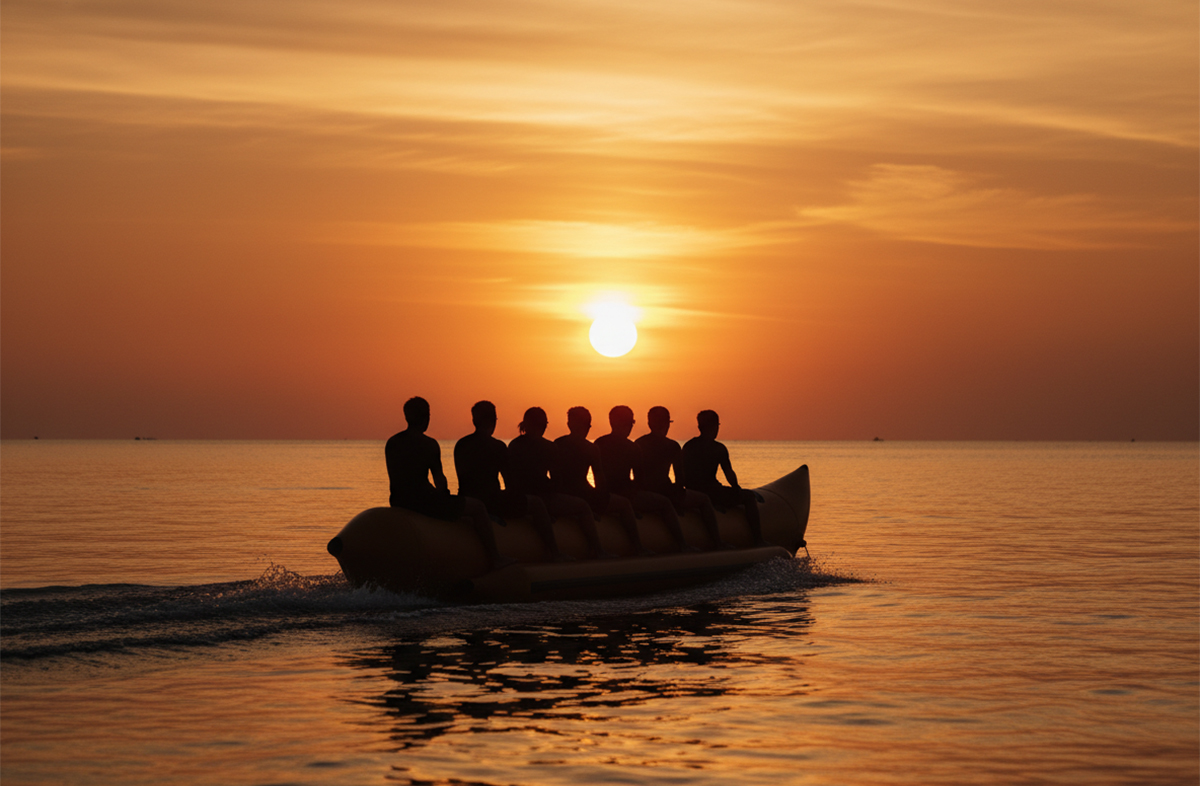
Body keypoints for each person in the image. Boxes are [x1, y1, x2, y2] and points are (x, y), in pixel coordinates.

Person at [385, 396, 512, 569]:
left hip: (398, 501)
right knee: (478, 507)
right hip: (423, 502)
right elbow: (439, 480)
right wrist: (445, 496)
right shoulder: (429, 444)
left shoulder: (392, 443)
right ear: (426, 418)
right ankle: (495, 558)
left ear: (406, 416)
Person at [454, 400, 570, 561]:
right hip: (492, 501)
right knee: (536, 503)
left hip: (466, 498)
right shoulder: (498, 447)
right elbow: (510, 482)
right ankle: (555, 552)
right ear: (494, 421)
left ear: (474, 420)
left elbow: (463, 477)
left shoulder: (461, 444)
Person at [507, 406, 611, 559]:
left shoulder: (514, 445)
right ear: (544, 425)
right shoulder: (549, 446)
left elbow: (510, 476)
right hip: (542, 498)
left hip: (519, 496)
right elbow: (556, 481)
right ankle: (596, 550)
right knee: (583, 506)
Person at [595, 405, 695, 552]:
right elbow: (640, 480)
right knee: (666, 503)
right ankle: (681, 544)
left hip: (605, 493)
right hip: (628, 495)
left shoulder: (599, 443)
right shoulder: (635, 447)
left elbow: (598, 476)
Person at [553, 406, 650, 555]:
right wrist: (600, 502)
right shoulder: (592, 448)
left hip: (562, 493)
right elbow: (600, 479)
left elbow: (554, 476)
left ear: (569, 424)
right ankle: (635, 546)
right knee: (624, 504)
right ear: (588, 425)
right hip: (584, 494)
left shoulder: (557, 444)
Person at [634, 406, 731, 549]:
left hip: (645, 491)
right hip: (665, 491)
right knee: (704, 499)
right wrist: (678, 501)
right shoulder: (672, 446)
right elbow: (680, 478)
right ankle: (714, 542)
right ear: (667, 424)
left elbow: (637, 475)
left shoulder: (638, 444)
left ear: (649, 424)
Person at [680, 409, 766, 546]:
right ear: (715, 426)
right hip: (713, 492)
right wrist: (736, 489)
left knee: (720, 493)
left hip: (693, 491)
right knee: (749, 496)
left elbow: (682, 474)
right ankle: (758, 539)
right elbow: (729, 474)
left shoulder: (688, 446)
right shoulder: (718, 448)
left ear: (699, 427)